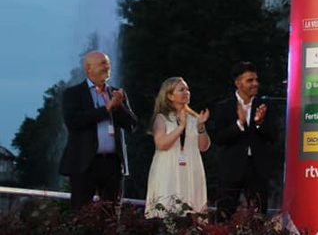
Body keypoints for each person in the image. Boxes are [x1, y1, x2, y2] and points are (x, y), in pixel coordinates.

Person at [59, 50, 139, 210]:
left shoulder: (116, 93)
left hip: (112, 164)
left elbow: (132, 125)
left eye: (108, 63)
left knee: (111, 214)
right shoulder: (73, 93)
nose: (107, 67)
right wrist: (106, 109)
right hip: (84, 163)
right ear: (88, 68)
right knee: (82, 213)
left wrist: (119, 106)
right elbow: (74, 122)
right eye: (102, 63)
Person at [208, 61, 277, 220]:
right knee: (224, 215)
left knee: (258, 216)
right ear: (238, 83)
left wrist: (260, 124)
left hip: (257, 169)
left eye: (256, 80)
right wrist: (239, 124)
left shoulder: (265, 106)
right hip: (231, 169)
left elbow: (274, 137)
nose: (255, 84)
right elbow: (218, 138)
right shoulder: (224, 107)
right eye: (250, 80)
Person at [144, 77, 210, 218]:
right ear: (169, 95)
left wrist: (201, 127)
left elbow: (204, 147)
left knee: (193, 213)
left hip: (191, 170)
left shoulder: (194, 118)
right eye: (181, 89)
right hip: (168, 170)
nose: (186, 92)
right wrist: (181, 127)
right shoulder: (161, 118)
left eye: (187, 89)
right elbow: (161, 144)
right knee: (167, 211)